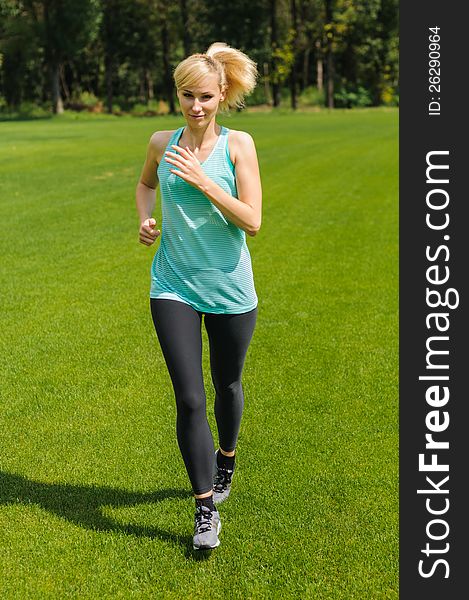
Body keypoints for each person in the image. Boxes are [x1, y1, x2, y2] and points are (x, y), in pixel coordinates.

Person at [135, 42, 262, 550]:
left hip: (230, 286)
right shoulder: (160, 141)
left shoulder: (239, 146)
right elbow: (146, 185)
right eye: (187, 95)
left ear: (222, 93)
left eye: (206, 96)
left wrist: (207, 183)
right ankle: (205, 508)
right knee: (190, 399)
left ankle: (226, 459)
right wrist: (145, 218)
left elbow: (253, 221)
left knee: (227, 386)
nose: (196, 106)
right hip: (172, 284)